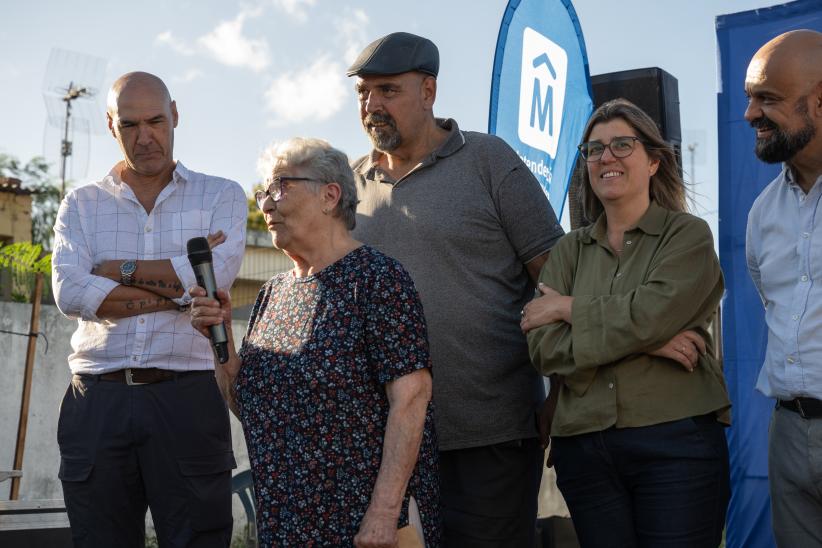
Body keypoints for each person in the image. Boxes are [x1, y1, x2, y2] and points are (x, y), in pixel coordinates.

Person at [346, 32, 564, 546]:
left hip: (491, 433)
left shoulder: (489, 160)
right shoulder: (347, 185)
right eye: (363, 93)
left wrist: (563, 388)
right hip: (382, 447)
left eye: (387, 91)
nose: (372, 105)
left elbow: (557, 278)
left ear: (429, 91)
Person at [189, 137, 440, 547]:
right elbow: (249, 407)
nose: (266, 204)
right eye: (263, 192)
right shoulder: (272, 294)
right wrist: (222, 348)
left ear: (329, 195)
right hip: (287, 524)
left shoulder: (378, 279)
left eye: (279, 187)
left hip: (367, 525)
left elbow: (412, 399)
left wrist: (383, 513)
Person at [523, 99, 732, 547]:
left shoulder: (688, 235)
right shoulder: (568, 250)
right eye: (594, 150)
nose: (606, 157)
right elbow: (543, 348)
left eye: (622, 144)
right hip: (584, 447)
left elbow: (653, 313)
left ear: (654, 160)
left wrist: (568, 309)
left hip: (675, 443)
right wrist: (649, 341)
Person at [51, 71, 247, 547]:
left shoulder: (221, 195)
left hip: (186, 399)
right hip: (97, 400)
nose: (144, 137)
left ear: (175, 114)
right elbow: (70, 294)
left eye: (156, 121)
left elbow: (212, 279)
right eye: (130, 124)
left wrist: (117, 270)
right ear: (110, 125)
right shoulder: (81, 204)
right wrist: (179, 288)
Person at [744, 30, 822, 546]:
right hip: (789, 432)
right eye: (750, 97)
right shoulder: (763, 213)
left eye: (767, 98)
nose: (750, 114)